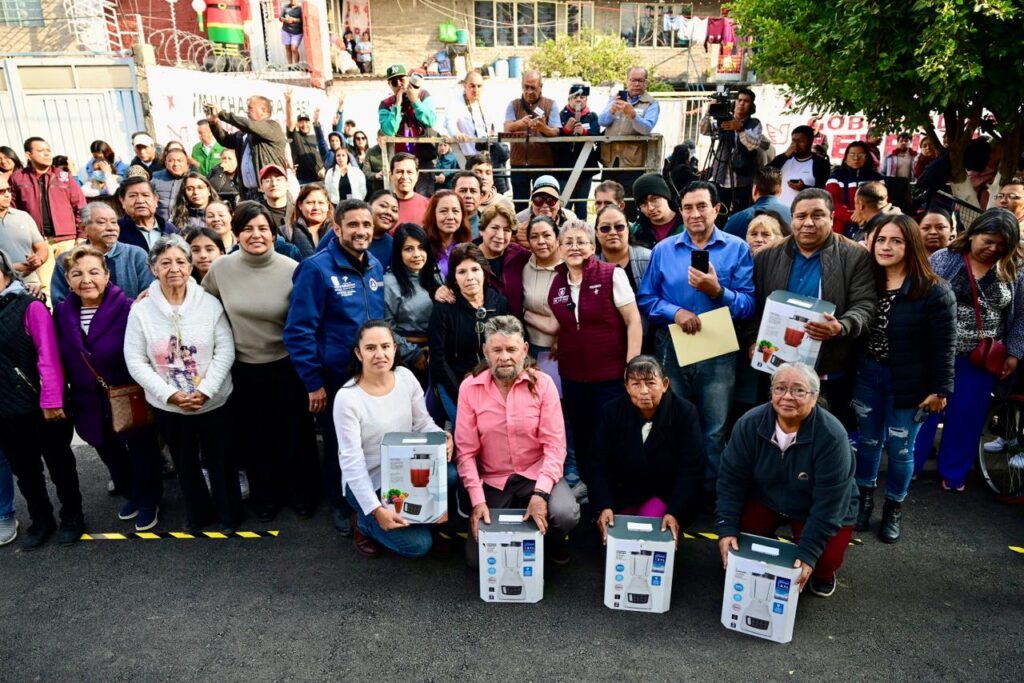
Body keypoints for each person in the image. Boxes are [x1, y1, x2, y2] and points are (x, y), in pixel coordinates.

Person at [203, 202, 319, 521]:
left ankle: (301, 493)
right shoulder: (221, 269)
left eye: (263, 228)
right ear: (236, 233)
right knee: (254, 437)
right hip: (243, 367)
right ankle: (265, 496)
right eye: (247, 229)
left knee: (293, 435)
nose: (256, 235)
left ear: (273, 233)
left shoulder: (292, 268)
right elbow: (199, 302)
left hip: (287, 365)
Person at [638, 180, 755, 494]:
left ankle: (709, 494)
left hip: (718, 348)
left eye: (702, 206)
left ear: (716, 209)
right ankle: (677, 492)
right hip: (673, 345)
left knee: (714, 428)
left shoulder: (737, 248)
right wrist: (675, 312)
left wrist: (718, 291)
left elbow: (748, 304)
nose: (695, 214)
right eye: (687, 207)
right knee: (673, 422)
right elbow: (646, 298)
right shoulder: (664, 250)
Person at [125, 235, 241, 532]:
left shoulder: (210, 304)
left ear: (190, 267)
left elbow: (225, 350)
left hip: (214, 400)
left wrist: (205, 390)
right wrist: (170, 395)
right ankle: (198, 514)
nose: (174, 268)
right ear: (153, 269)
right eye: (165, 263)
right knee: (185, 462)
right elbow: (136, 361)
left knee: (221, 459)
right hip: (170, 406)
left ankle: (229, 514)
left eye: (180, 261)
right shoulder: (141, 310)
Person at [284, 199, 386, 536]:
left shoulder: (375, 266)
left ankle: (370, 499)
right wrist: (313, 382)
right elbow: (298, 330)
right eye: (353, 224)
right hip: (335, 377)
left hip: (372, 374)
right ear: (337, 228)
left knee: (370, 441)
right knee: (340, 444)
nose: (361, 231)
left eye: (366, 224)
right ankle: (341, 506)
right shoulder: (315, 269)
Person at [850, 214, 955, 542]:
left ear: (912, 245)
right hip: (868, 375)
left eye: (896, 240)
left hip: (910, 384)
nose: (886, 246)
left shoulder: (935, 290)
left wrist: (941, 389)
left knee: (900, 449)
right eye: (881, 239)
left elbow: (945, 346)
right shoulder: (867, 282)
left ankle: (893, 507)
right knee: (867, 443)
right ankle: (863, 501)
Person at [716, 363, 859, 598]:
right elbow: (731, 480)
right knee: (737, 544)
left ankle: (823, 572)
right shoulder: (749, 423)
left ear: (814, 397)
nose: (787, 397)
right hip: (767, 497)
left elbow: (830, 503)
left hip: (815, 506)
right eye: (780, 388)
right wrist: (726, 527)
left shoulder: (832, 437)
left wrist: (809, 552)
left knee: (823, 561)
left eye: (798, 390)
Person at [54, 245, 164, 530]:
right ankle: (132, 493)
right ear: (67, 280)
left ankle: (149, 500)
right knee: (107, 450)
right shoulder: (62, 314)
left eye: (93, 272)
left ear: (106, 275)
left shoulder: (130, 308)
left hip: (127, 393)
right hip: (86, 399)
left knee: (141, 450)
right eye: (77, 274)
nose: (86, 280)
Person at [456, 315, 580, 565]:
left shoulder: (543, 384)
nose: (504, 357)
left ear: (524, 349)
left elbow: (555, 447)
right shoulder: (469, 388)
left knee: (565, 513)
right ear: (485, 351)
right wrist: (478, 501)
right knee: (476, 560)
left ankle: (551, 541)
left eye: (511, 349)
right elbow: (466, 452)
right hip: (494, 478)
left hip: (537, 472)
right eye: (497, 350)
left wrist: (541, 494)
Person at [914, 208, 1023, 491]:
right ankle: (910, 465)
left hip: (981, 358)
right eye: (988, 240)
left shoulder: (1014, 268)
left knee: (967, 416)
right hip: (935, 351)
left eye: (1001, 244)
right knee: (924, 411)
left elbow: (1021, 316)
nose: (993, 248)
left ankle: (953, 472)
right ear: (973, 234)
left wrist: (1014, 353)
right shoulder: (944, 258)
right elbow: (920, 299)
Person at [751, 188, 877, 426]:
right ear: (792, 219)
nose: (808, 223)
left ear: (832, 217)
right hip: (775, 368)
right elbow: (752, 306)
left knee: (825, 434)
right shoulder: (766, 256)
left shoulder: (854, 256)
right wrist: (752, 341)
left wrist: (842, 326)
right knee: (775, 432)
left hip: (829, 369)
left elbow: (865, 304)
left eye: (817, 215)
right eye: (801, 216)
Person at [335, 320, 448, 557]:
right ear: (358, 353)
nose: (380, 354)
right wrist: (376, 510)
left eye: (386, 346)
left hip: (404, 470)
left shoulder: (405, 377)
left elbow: (422, 424)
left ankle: (417, 517)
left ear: (395, 349)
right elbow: (352, 463)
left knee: (453, 474)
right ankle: (364, 523)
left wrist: (443, 438)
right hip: (371, 481)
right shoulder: (348, 399)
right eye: (370, 348)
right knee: (419, 545)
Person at [0, 249, 84, 549]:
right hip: (5, 410)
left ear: (5, 271)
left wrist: (52, 400)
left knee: (60, 464)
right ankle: (41, 519)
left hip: (43, 405)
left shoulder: (30, 306)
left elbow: (48, 355)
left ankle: (72, 515)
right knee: (25, 470)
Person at [548, 222, 642, 483]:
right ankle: (592, 491)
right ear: (559, 248)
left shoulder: (611, 274)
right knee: (583, 437)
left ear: (592, 246)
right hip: (573, 377)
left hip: (610, 375)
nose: (574, 247)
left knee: (613, 437)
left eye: (581, 241)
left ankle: (618, 493)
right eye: (568, 242)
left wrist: (632, 366)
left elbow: (633, 320)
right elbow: (558, 324)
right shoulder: (557, 281)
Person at [592, 355, 705, 541]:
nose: (644, 391)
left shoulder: (685, 413)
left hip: (665, 493)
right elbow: (598, 464)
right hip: (623, 492)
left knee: (647, 535)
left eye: (651, 383)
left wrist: (675, 512)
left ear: (665, 384)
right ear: (627, 387)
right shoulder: (612, 411)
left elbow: (692, 470)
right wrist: (604, 505)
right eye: (636, 384)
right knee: (618, 538)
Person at [428, 243, 509, 420]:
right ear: (454, 277)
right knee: (465, 427)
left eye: (475, 269)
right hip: (454, 382)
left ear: (484, 271)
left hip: (494, 381)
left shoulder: (499, 302)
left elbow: (509, 347)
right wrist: (461, 393)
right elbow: (439, 359)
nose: (470, 277)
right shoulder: (444, 309)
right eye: (462, 272)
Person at [9, 137, 86, 299]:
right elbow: (13, 211)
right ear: (28, 155)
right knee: (47, 285)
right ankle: (51, 314)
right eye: (41, 151)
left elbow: (80, 206)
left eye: (48, 150)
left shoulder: (64, 176)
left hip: (67, 240)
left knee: (75, 280)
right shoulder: (17, 178)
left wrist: (81, 236)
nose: (47, 154)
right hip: (38, 243)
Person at [50, 202, 153, 304]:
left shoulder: (136, 255)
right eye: (101, 222)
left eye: (114, 222)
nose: (111, 228)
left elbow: (148, 296)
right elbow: (60, 303)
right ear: (83, 228)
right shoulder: (67, 259)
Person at [599, 67, 661, 221]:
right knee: (606, 199)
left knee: (628, 204)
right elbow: (602, 121)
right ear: (627, 81)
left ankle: (629, 232)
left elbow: (646, 128)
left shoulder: (651, 103)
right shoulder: (616, 97)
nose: (636, 84)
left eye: (640, 80)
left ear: (646, 82)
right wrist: (612, 111)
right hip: (611, 160)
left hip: (632, 163)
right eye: (633, 80)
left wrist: (632, 114)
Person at [206, 97, 288, 202]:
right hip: (248, 194)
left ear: (264, 110)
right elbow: (225, 140)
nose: (246, 111)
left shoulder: (273, 127)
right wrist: (213, 123)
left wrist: (222, 114)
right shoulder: (244, 134)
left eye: (250, 108)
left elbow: (249, 125)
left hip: (269, 193)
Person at [698, 88, 765, 212]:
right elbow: (704, 130)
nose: (742, 103)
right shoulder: (724, 120)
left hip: (742, 180)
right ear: (734, 103)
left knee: (740, 215)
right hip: (722, 177)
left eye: (746, 101)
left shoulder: (754, 124)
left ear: (751, 105)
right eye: (739, 100)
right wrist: (709, 111)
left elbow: (753, 145)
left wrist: (739, 128)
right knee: (719, 214)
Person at [503, 70, 560, 208]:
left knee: (543, 204)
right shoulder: (513, 104)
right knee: (520, 205)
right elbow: (507, 127)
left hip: (543, 163)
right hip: (518, 163)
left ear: (541, 87)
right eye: (526, 87)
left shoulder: (551, 104)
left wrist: (543, 128)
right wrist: (520, 123)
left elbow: (556, 131)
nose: (529, 91)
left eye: (533, 88)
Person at [379, 64, 439, 196]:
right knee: (401, 198)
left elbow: (431, 121)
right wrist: (397, 104)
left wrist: (415, 101)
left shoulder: (423, 95)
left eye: (402, 79)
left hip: (423, 157)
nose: (400, 84)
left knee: (424, 198)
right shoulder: (386, 104)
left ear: (408, 78)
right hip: (400, 161)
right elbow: (389, 130)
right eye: (394, 82)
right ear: (389, 84)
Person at [384, 223, 438, 363]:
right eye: (408, 249)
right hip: (408, 354)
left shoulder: (437, 276)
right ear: (398, 252)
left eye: (421, 247)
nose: (416, 255)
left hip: (439, 349)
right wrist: (414, 354)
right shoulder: (389, 284)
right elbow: (387, 330)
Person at [474, 203, 529, 312]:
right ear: (482, 230)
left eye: (506, 230)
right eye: (495, 228)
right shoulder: (466, 256)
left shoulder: (520, 255)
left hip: (514, 322)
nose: (500, 236)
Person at [557, 83, 601, 219]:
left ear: (586, 99)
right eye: (575, 97)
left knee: (582, 203)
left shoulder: (592, 116)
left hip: (586, 166)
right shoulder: (561, 115)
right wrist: (565, 131)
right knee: (565, 203)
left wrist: (584, 132)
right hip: (565, 166)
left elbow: (597, 133)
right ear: (569, 99)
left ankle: (583, 230)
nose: (578, 99)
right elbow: (554, 135)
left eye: (582, 97)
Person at [520, 215, 562, 353]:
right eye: (534, 237)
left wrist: (525, 313)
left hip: (561, 348)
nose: (541, 241)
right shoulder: (523, 268)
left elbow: (556, 324)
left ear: (557, 239)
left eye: (546, 235)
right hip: (527, 345)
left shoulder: (570, 270)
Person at [826, 140, 884, 236]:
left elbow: (882, 202)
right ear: (845, 158)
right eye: (852, 154)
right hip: (840, 228)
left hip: (871, 226)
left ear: (866, 158)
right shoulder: (836, 177)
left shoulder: (876, 178)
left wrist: (865, 215)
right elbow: (831, 202)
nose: (856, 158)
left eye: (861, 155)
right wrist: (854, 217)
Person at [0, 175, 48, 289]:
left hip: (30, 284)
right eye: (1, 191)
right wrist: (10, 267)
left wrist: (38, 259)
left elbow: (42, 248)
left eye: (8, 190)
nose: (7, 195)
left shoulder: (23, 216)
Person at [595, 204, 652, 295]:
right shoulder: (589, 266)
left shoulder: (649, 259)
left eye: (619, 227)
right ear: (596, 233)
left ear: (628, 229)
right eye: (605, 228)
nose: (612, 232)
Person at [767, 125, 831, 206]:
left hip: (805, 211)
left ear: (811, 141)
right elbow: (764, 174)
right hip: (780, 210)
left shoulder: (820, 163)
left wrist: (803, 188)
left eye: (801, 141)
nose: (796, 145)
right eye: (793, 141)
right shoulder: (784, 159)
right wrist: (784, 155)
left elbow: (822, 192)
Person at [723, 167, 792, 239]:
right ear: (780, 191)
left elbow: (725, 244)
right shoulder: (793, 216)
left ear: (755, 189)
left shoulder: (735, 219)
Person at [117, 177, 180, 251]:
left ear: (156, 200)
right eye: (132, 196)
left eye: (145, 195)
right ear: (122, 201)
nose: (140, 201)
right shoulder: (116, 231)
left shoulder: (171, 230)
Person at [513, 175, 576, 246]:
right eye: (538, 200)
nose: (545, 205)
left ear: (559, 203)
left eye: (551, 200)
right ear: (532, 202)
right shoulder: (520, 220)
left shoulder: (570, 220)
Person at [422, 189, 472, 278]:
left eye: (455, 211)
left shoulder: (468, 246)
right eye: (443, 211)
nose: (450, 217)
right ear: (433, 214)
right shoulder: (421, 244)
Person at [446, 70, 494, 158]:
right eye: (472, 86)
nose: (476, 90)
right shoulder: (456, 102)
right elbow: (449, 122)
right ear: (465, 86)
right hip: (467, 157)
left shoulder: (486, 102)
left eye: (479, 86)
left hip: (486, 156)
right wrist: (456, 133)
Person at [629, 172, 684, 249]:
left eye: (654, 199)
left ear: (666, 197)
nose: (650, 208)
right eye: (643, 203)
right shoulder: (636, 232)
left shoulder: (687, 225)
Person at [282, 183, 333, 259]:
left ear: (328, 205)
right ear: (300, 205)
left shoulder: (339, 231)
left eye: (321, 203)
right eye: (310, 203)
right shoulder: (286, 232)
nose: (316, 207)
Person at [284, 91, 323, 185]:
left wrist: (324, 169)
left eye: (306, 122)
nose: (304, 125)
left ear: (310, 123)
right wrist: (288, 102)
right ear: (297, 124)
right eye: (301, 122)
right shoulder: (295, 136)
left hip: (320, 179)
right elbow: (290, 122)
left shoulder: (315, 138)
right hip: (303, 181)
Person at [151, 147, 191, 222]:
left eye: (179, 160)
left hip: (186, 223)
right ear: (165, 163)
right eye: (171, 161)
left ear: (187, 163)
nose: (175, 164)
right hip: (160, 223)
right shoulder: (155, 178)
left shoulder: (193, 179)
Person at [390, 153, 430, 225]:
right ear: (391, 175)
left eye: (409, 172)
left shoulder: (428, 206)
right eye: (399, 172)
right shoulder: (383, 207)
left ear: (417, 175)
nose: (405, 177)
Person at [257, 164, 292, 229]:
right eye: (267, 180)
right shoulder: (256, 214)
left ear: (287, 184)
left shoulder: (299, 210)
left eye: (278, 179)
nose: (274, 184)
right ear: (261, 188)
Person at [451, 171, 483, 236]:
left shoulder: (488, 226)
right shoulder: (439, 226)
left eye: (473, 191)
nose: (468, 195)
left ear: (481, 197)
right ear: (452, 194)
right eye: (463, 191)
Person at [279, 0, 304, 65]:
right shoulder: (285, 7)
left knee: (294, 49)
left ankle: (296, 66)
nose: (292, 1)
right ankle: (290, 66)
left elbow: (302, 20)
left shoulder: (300, 8)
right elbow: (280, 18)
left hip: (297, 32)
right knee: (288, 48)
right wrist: (285, 20)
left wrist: (293, 19)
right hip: (286, 31)